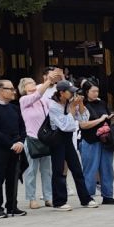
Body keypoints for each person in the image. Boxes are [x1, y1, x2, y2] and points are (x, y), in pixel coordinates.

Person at [47, 80, 96, 208]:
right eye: (70, 92)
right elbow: (65, 125)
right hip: (57, 139)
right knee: (58, 170)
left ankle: (86, 199)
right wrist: (73, 108)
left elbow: (84, 120)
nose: (73, 94)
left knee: (77, 169)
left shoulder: (70, 103)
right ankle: (59, 201)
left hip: (68, 140)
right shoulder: (52, 106)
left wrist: (80, 105)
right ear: (61, 93)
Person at [0, 78, 27, 216]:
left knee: (12, 177)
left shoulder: (14, 108)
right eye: (10, 89)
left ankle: (12, 206)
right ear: (0, 91)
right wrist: (11, 144)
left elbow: (22, 127)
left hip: (16, 148)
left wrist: (20, 142)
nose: (14, 91)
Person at [76, 79, 114, 205]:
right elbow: (83, 125)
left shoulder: (102, 103)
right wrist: (100, 120)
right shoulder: (82, 105)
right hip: (89, 140)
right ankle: (88, 196)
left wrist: (109, 119)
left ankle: (108, 195)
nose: (96, 93)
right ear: (86, 92)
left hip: (105, 140)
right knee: (90, 169)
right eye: (93, 91)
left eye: (97, 91)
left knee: (107, 168)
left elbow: (107, 117)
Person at [18, 74, 52, 209]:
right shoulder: (24, 100)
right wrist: (48, 80)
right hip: (31, 139)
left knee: (47, 171)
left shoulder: (43, 100)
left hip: (45, 139)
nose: (32, 84)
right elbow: (36, 95)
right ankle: (31, 198)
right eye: (29, 83)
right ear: (23, 87)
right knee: (31, 171)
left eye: (33, 82)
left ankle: (48, 197)